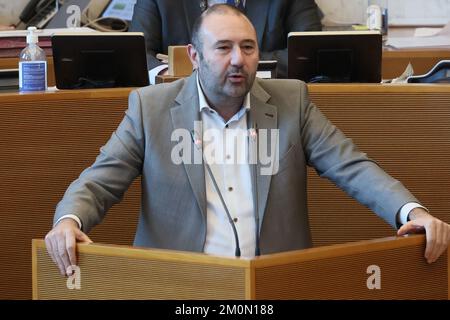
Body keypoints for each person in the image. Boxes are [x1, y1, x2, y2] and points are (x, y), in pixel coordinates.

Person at [46, 4, 449, 277]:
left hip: (273, 285)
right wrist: (68, 221)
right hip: (182, 285)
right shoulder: (151, 109)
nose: (238, 59)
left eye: (248, 47)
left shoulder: (291, 102)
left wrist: (411, 212)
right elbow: (99, 181)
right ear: (195, 55)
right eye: (223, 48)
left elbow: (353, 166)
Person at [129, 0, 322, 82]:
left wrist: (227, 63)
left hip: (270, 105)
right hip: (178, 107)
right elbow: (136, 52)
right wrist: (170, 74)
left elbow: (309, 53)